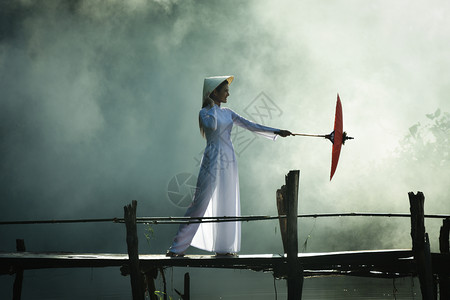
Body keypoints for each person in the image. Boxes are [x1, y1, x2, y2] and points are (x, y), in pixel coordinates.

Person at [166, 75, 292, 257]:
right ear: (213, 92)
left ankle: (224, 249)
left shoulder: (228, 113)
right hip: (212, 159)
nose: (228, 94)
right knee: (199, 203)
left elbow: (250, 125)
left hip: (228, 161)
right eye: (225, 91)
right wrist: (210, 105)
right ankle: (177, 248)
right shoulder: (205, 113)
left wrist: (276, 131)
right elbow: (212, 126)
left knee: (227, 201)